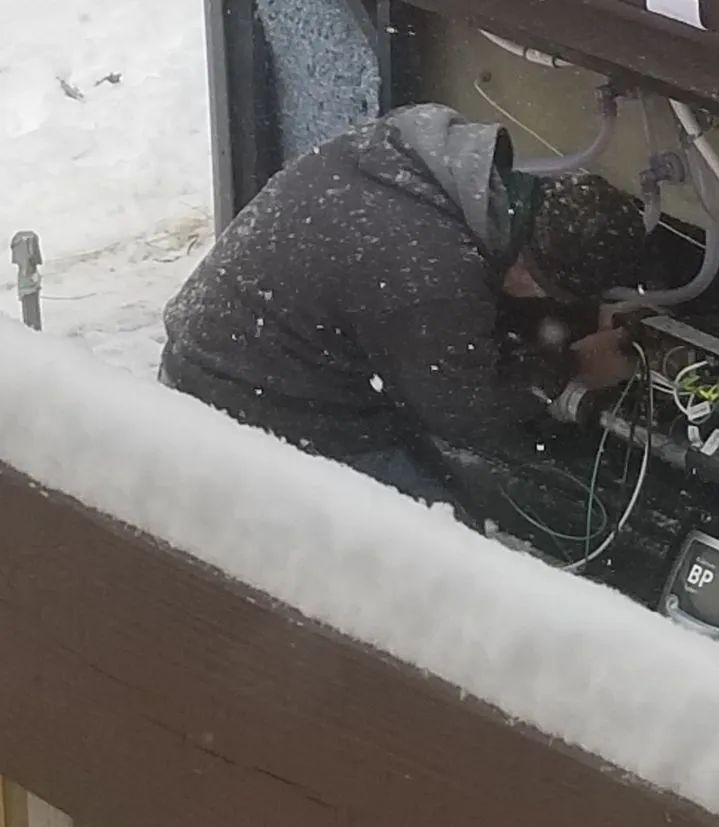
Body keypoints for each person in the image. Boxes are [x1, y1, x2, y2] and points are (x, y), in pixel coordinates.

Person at [159, 104, 659, 526]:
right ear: (533, 275)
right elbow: (465, 410)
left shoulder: (420, 156)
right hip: (243, 401)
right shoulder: (432, 277)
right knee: (444, 535)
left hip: (211, 341)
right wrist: (573, 368)